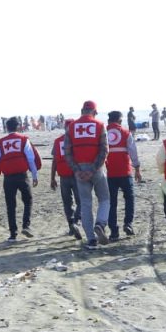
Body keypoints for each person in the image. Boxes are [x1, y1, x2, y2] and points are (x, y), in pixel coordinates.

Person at [65, 100, 110, 248]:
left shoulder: (71, 127)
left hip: (79, 170)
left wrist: (77, 170)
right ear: (95, 112)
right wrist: (93, 169)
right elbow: (104, 150)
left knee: (85, 204)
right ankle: (100, 224)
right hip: (95, 169)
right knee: (104, 199)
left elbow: (67, 152)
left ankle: (91, 239)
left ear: (82, 110)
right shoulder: (99, 125)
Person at [0, 117, 40, 242]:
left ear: (7, 128)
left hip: (8, 178)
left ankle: (13, 234)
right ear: (18, 126)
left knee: (10, 205)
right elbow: (30, 158)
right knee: (28, 200)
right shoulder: (23, 140)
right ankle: (26, 226)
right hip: (22, 175)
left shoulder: (1, 142)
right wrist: (34, 175)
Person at [106, 110, 142, 241]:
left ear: (109, 121)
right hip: (125, 172)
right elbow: (133, 152)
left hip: (109, 173)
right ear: (120, 121)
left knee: (111, 203)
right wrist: (137, 168)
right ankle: (128, 224)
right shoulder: (126, 133)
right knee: (129, 199)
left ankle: (113, 231)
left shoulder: (102, 132)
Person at [51, 123, 82, 239]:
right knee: (81, 201)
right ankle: (76, 222)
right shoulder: (77, 140)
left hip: (63, 175)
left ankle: (71, 226)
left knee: (67, 203)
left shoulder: (57, 141)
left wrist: (52, 178)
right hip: (76, 175)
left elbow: (54, 161)